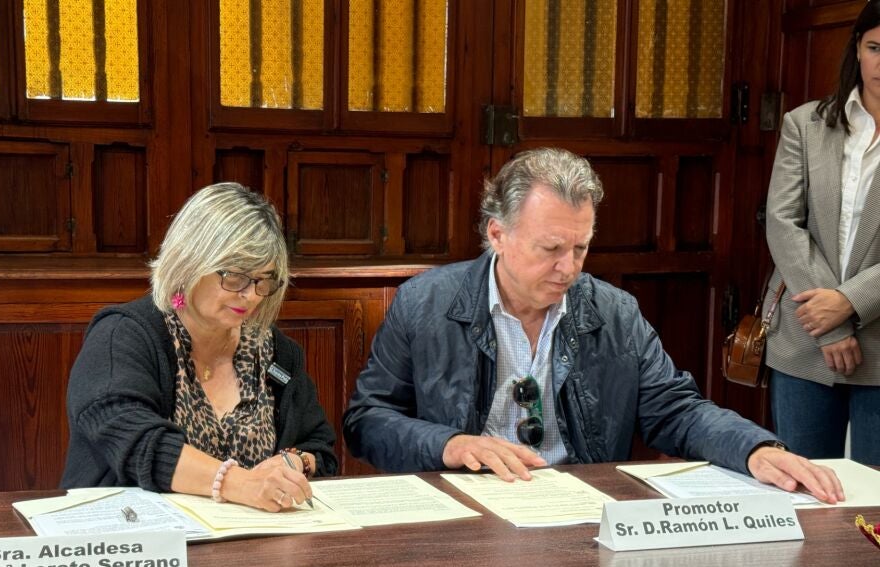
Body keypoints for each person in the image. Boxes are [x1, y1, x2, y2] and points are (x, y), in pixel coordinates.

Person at [343, 147, 844, 504]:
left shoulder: (613, 312)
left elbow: (675, 410)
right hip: (463, 509)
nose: (570, 267)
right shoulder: (425, 303)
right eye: (551, 249)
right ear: (497, 233)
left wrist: (752, 448)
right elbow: (367, 422)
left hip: (582, 509)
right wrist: (450, 445)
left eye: (580, 247)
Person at [62, 182, 337, 511]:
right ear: (189, 263)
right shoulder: (123, 336)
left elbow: (320, 448)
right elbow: (136, 441)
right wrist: (240, 483)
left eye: (263, 280)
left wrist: (295, 465)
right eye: (234, 276)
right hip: (138, 543)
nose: (250, 295)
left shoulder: (276, 352)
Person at [764, 0, 880, 465]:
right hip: (804, 335)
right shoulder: (805, 123)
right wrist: (828, 325)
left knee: (875, 507)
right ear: (857, 48)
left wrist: (849, 303)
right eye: (875, 47)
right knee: (803, 492)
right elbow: (782, 222)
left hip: (877, 340)